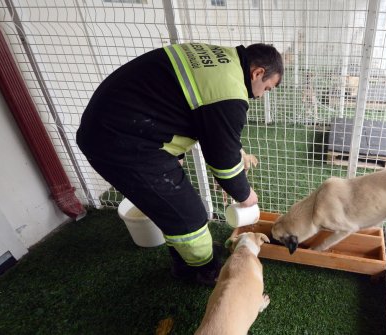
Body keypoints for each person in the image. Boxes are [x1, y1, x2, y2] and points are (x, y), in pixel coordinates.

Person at [76, 42, 283, 285]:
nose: (260, 96)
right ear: (257, 72)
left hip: (120, 125)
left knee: (172, 206)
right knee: (188, 216)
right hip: (121, 141)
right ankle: (202, 271)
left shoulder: (221, 60)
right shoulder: (229, 92)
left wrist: (176, 153)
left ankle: (187, 257)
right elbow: (222, 159)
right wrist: (245, 196)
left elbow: (183, 107)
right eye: (266, 88)